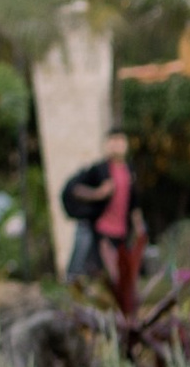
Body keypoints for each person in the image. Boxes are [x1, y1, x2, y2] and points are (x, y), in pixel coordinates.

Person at [60, 132, 144, 313]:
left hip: (121, 231)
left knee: (120, 275)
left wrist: (139, 226)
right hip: (100, 229)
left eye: (120, 141)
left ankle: (116, 312)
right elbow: (73, 188)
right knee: (92, 271)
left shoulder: (130, 171)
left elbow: (134, 202)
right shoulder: (98, 169)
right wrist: (98, 193)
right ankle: (80, 307)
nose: (117, 145)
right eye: (113, 141)